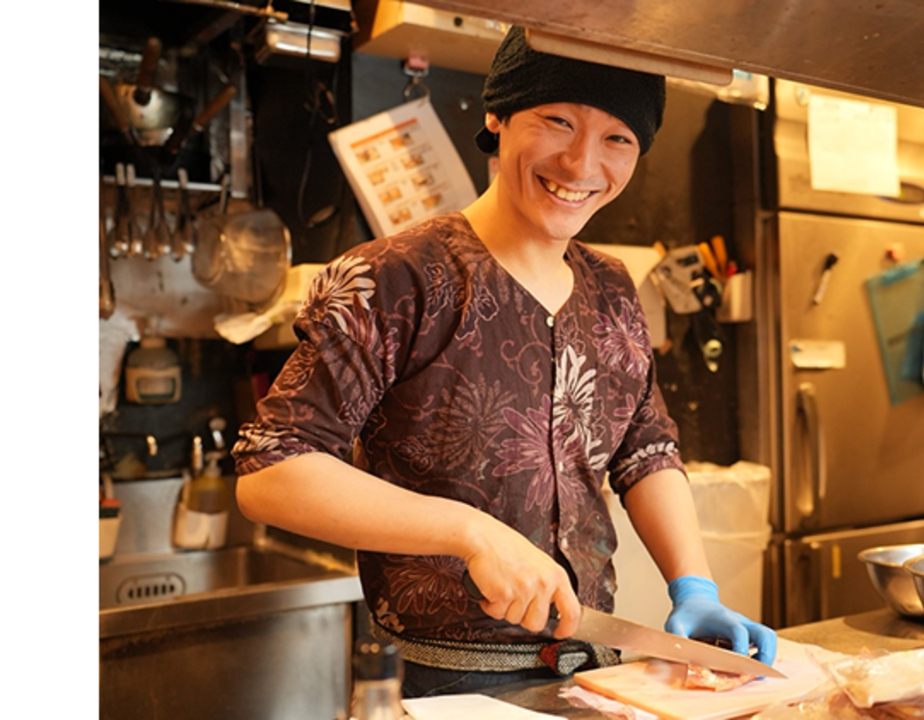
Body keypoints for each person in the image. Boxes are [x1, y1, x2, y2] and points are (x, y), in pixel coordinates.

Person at [232, 25, 776, 698]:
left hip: (595, 675)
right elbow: (271, 469)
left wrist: (694, 584)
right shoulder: (395, 277)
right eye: (557, 121)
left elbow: (646, 448)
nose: (581, 165)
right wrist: (467, 533)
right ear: (498, 117)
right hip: (439, 686)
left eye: (617, 139)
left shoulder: (612, 288)